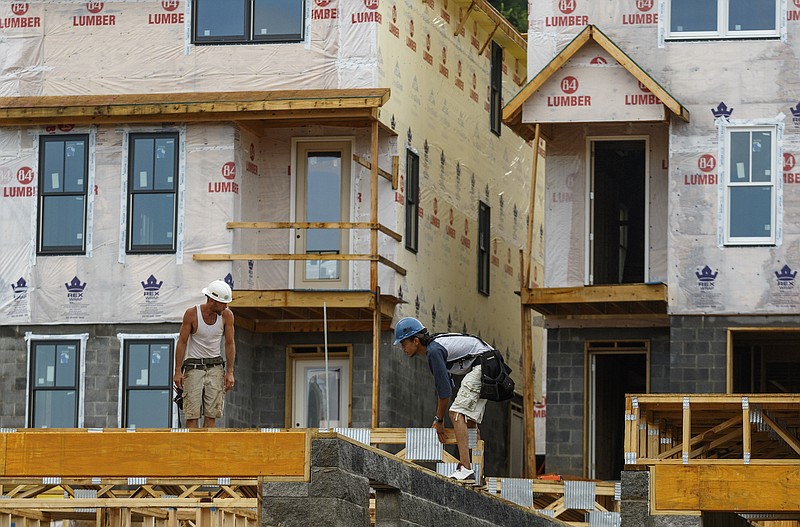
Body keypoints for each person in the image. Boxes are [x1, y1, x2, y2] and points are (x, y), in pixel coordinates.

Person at [393, 316, 491, 481]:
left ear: (415, 340)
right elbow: (448, 385)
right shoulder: (436, 347)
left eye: (403, 344)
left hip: (485, 364)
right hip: (488, 364)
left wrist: (439, 420)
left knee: (456, 413)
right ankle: (475, 470)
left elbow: (444, 393)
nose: (403, 348)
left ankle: (466, 469)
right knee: (467, 418)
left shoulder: (434, 351)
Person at [173, 279, 236, 428]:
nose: (226, 306)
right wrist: (177, 371)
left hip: (215, 367)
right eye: (222, 303)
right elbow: (182, 342)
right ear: (213, 301)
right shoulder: (192, 314)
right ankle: (192, 449)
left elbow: (229, 343)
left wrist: (230, 372)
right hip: (193, 366)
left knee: (212, 414)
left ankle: (207, 449)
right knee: (192, 414)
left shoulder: (227, 316)